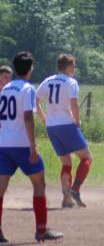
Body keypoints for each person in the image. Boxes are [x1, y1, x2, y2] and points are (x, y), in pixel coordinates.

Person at [0, 52, 63, 242]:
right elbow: (28, 117)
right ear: (30, 69)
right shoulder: (27, 89)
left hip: (3, 145)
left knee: (1, 190)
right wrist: (32, 147)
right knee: (39, 184)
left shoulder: (5, 88)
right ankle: (41, 229)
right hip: (21, 145)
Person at [36, 54, 92, 208]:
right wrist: (77, 120)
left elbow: (36, 99)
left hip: (51, 126)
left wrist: (43, 117)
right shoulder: (70, 82)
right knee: (86, 158)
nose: (74, 68)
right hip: (66, 124)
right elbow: (73, 103)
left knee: (66, 162)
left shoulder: (48, 80)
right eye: (73, 65)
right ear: (66, 67)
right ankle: (75, 189)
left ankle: (66, 199)